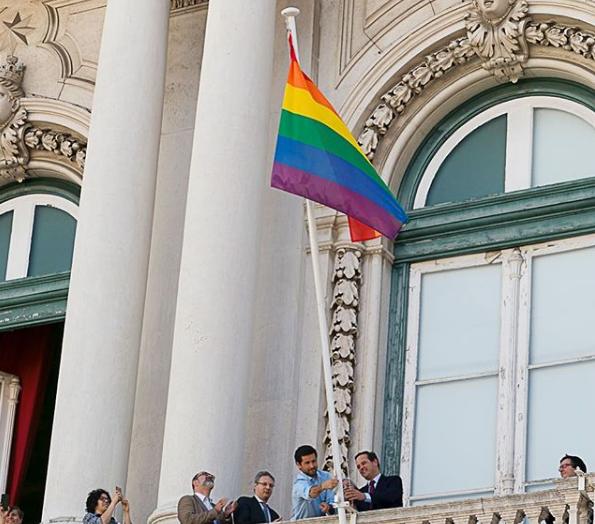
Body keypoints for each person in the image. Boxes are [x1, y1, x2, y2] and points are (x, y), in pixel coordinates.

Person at [291, 445, 338, 520]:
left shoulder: (325, 476)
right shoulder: (299, 483)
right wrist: (323, 486)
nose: (312, 466)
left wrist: (329, 507)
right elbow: (311, 493)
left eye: (314, 461)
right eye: (307, 463)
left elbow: (333, 503)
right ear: (298, 465)